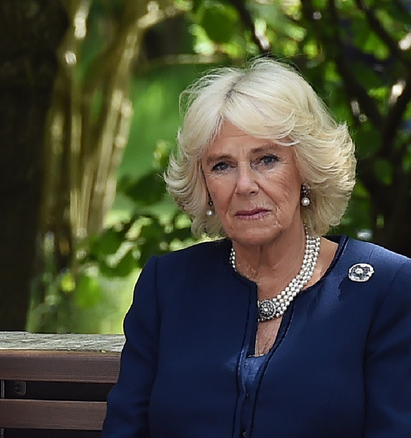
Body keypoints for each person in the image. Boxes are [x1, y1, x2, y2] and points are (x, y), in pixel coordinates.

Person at [102, 57, 411, 437]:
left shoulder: (386, 288)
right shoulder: (166, 284)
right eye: (222, 165)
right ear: (205, 185)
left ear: (306, 170)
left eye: (266, 159)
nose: (245, 185)